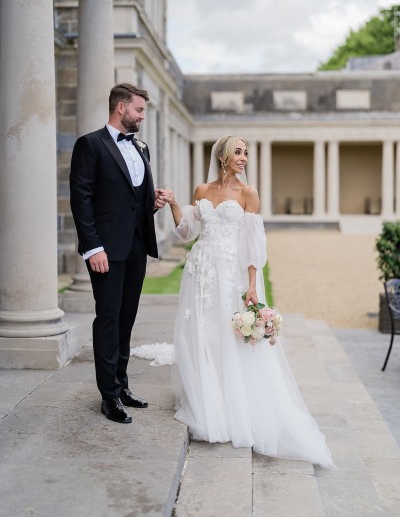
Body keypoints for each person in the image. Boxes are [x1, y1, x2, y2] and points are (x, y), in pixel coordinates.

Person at [163, 135, 334, 468]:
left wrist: (253, 284)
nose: (243, 158)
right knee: (204, 337)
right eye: (237, 152)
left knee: (229, 338)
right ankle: (209, 403)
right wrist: (172, 204)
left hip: (230, 275)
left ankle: (233, 406)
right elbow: (187, 233)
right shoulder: (201, 190)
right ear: (223, 156)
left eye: (245, 153)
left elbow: (252, 243)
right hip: (200, 274)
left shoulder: (248, 194)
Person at [70, 83, 168, 424]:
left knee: (126, 320)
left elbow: (132, 201)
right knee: (108, 319)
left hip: (137, 245)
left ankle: (122, 385)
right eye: (139, 110)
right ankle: (108, 396)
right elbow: (81, 199)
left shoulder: (141, 147)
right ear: (120, 108)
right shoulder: (90, 145)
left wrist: (151, 205)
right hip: (105, 251)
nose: (142, 116)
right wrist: (92, 246)